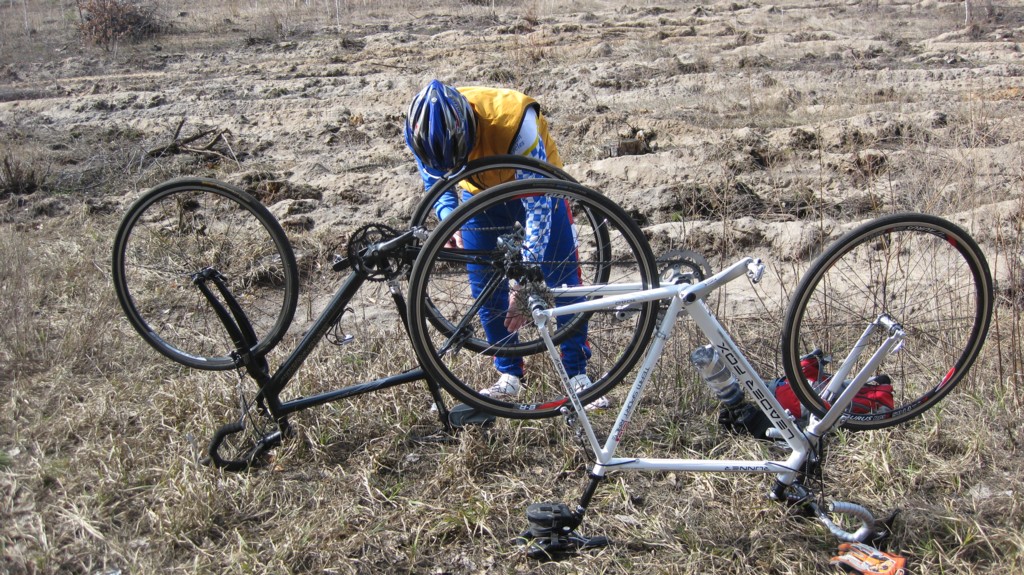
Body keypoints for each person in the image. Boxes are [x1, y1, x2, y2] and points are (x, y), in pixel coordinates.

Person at [404, 80, 606, 408]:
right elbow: (434, 180)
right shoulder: (421, 131)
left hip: (537, 185)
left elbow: (538, 209)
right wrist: (449, 217)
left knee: (562, 280)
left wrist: (526, 280)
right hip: (480, 195)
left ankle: (577, 375)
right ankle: (508, 375)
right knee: (485, 287)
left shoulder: (513, 122)